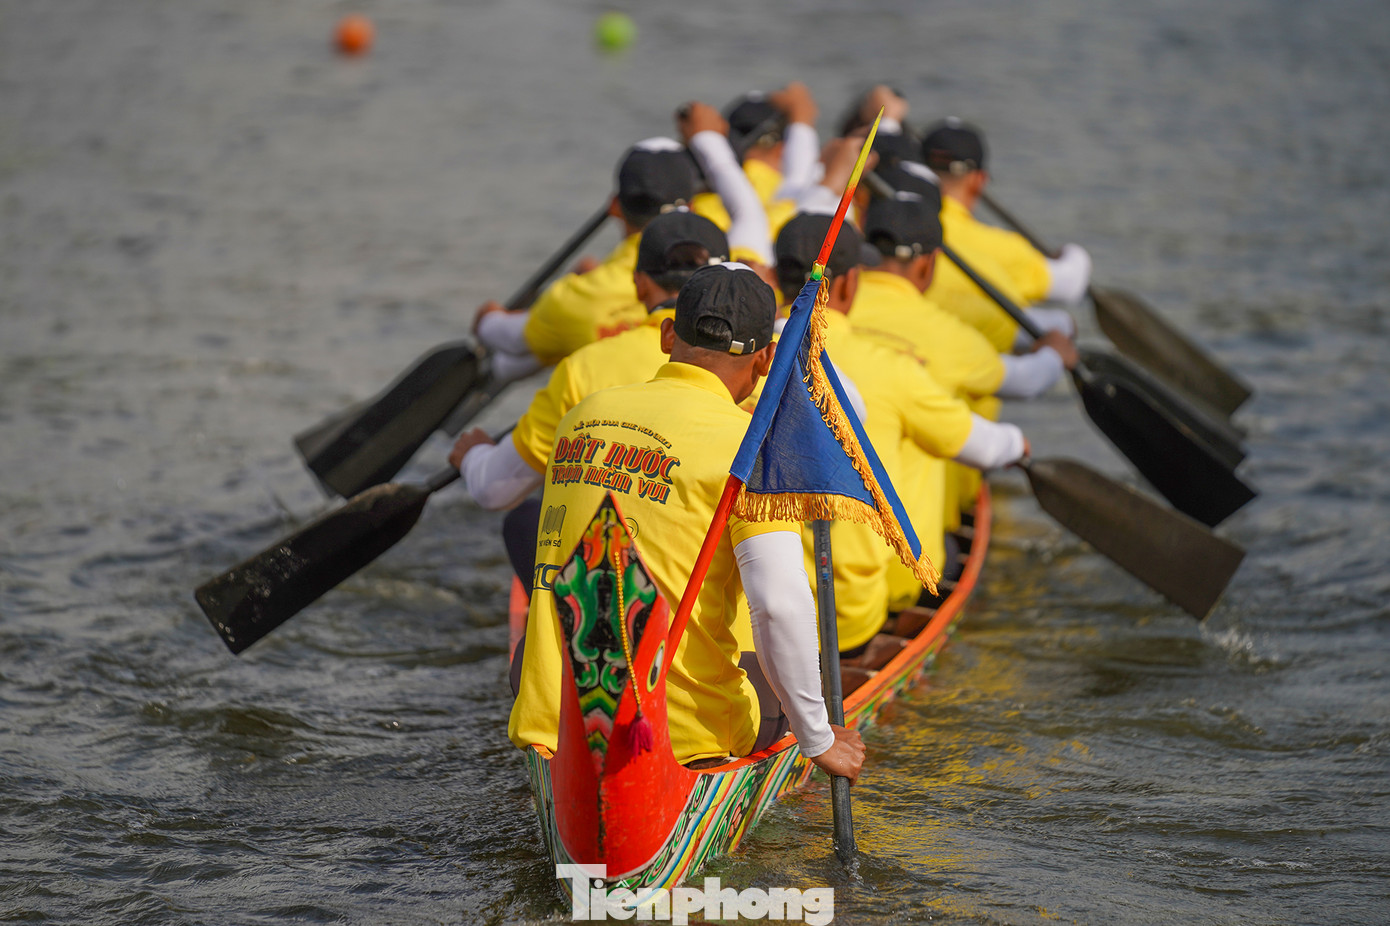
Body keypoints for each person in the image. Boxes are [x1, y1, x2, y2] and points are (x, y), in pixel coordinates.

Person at [508, 262, 865, 781]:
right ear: (765, 359)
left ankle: (565, 790)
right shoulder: (750, 451)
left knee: (527, 656)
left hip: (558, 720)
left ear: (667, 333)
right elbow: (779, 607)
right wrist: (819, 739)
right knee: (779, 680)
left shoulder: (581, 416)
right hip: (676, 736)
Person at [774, 213, 1031, 654]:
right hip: (847, 614)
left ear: (775, 277)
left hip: (757, 602)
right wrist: (1019, 446)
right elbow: (986, 447)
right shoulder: (892, 368)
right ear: (852, 285)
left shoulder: (742, 361)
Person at [450, 210, 732, 584]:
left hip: (623, 581)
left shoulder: (585, 367)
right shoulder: (760, 366)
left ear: (640, 286)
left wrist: (473, 456)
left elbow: (494, 490)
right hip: (718, 580)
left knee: (523, 520)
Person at [472, 139, 698, 383]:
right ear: (693, 207)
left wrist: (488, 317)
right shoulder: (726, 254)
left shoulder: (578, 296)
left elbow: (510, 340)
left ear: (614, 206)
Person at [920, 117, 1091, 348]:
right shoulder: (1006, 249)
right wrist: (1071, 252)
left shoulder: (889, 224)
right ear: (979, 181)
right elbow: (1071, 282)